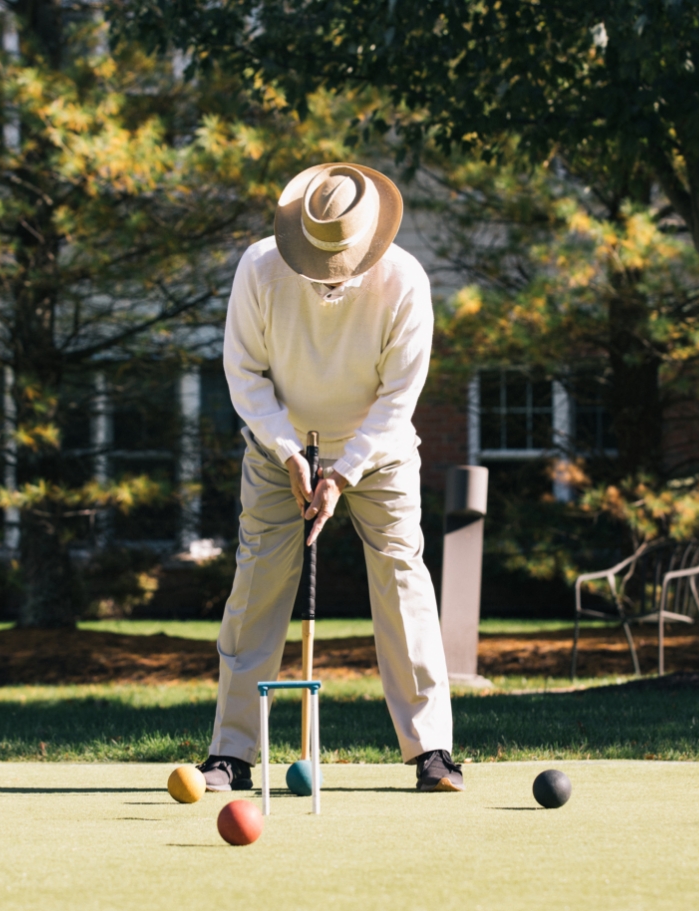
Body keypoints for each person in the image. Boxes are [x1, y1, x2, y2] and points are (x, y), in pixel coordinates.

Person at [198, 162, 462, 793]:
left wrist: (341, 475)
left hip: (380, 451)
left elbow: (399, 398)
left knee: (403, 581)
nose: (329, 278)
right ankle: (231, 753)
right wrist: (291, 454)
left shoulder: (405, 281)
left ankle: (432, 750)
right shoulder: (259, 268)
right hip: (276, 447)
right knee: (257, 585)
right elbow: (244, 374)